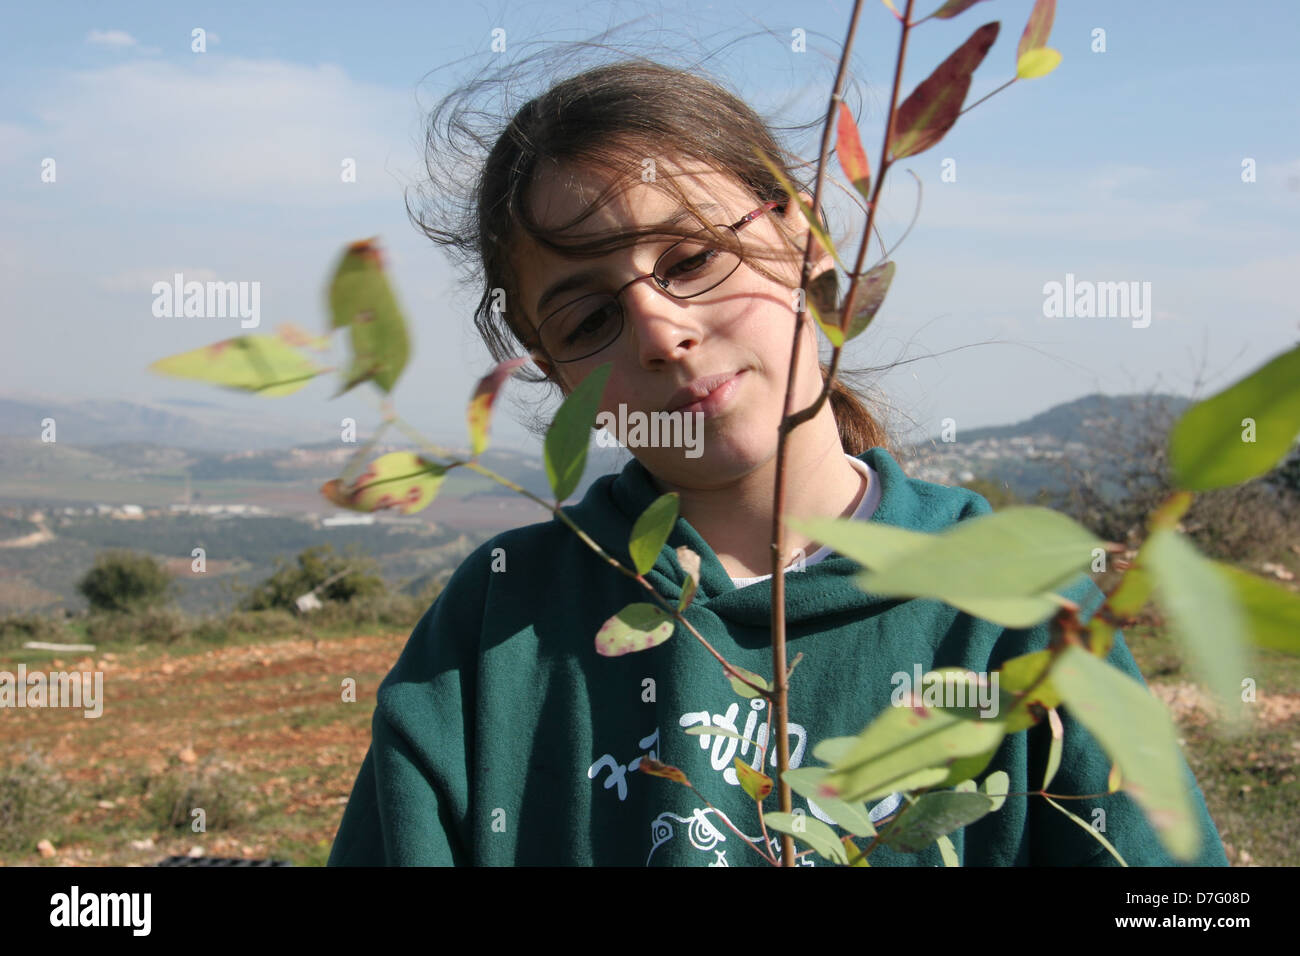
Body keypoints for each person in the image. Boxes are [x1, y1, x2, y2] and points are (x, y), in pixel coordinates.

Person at [327, 57, 1228, 867]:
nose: (661, 331)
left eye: (691, 259)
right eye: (589, 320)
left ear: (807, 240)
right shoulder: (497, 622)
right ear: (554, 374)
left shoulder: (1022, 607)